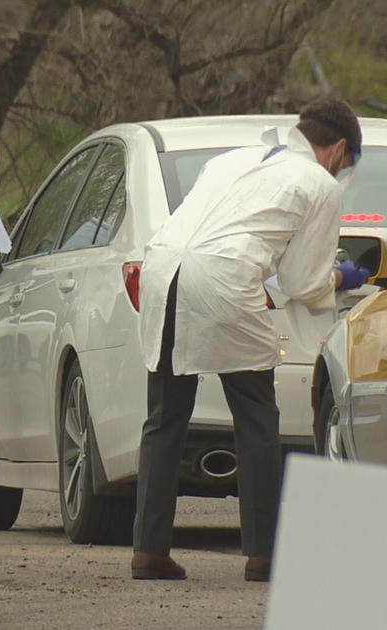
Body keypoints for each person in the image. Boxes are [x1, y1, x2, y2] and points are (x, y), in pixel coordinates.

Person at [132, 98, 363, 581]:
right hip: (225, 277)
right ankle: (265, 555)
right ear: (338, 150)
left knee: (165, 417)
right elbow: (302, 283)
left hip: (162, 270)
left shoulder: (231, 159)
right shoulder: (319, 183)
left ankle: (148, 551)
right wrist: (340, 278)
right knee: (256, 416)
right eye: (347, 165)